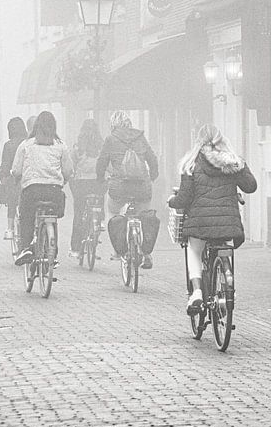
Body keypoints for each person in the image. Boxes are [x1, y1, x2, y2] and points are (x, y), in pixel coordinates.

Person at [168, 124, 257, 311]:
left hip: (200, 224)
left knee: (194, 251)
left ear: (198, 141)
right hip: (227, 223)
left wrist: (172, 201)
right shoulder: (232, 162)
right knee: (222, 245)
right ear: (221, 139)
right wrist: (239, 171)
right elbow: (250, 186)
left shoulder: (191, 164)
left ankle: (197, 293)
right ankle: (226, 285)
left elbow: (184, 198)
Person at [96, 110, 159, 269]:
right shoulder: (140, 137)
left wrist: (100, 178)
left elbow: (102, 162)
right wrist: (152, 176)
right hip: (142, 187)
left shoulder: (111, 139)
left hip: (119, 188)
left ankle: (119, 249)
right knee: (144, 215)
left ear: (113, 125)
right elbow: (152, 159)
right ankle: (146, 253)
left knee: (112, 212)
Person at [11, 111, 73, 266]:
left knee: (26, 218)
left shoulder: (26, 145)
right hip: (54, 192)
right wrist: (62, 180)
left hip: (32, 191)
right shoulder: (61, 145)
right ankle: (52, 253)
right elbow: (68, 171)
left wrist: (16, 176)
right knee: (51, 218)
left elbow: (17, 170)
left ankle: (26, 247)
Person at [68, 119, 107, 259]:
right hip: (98, 183)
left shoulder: (78, 148)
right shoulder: (102, 148)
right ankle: (99, 221)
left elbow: (70, 168)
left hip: (81, 185)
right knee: (98, 202)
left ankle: (76, 249)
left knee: (79, 213)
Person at [0, 117, 28, 239]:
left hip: (15, 181)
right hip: (28, 180)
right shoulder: (29, 143)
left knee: (12, 202)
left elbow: (5, 166)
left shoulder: (8, 145)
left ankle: (10, 228)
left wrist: (0, 173)